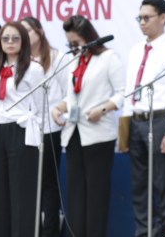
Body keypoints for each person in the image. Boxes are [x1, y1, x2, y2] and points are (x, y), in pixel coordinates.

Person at [50, 15, 124, 237]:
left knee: (96, 195)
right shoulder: (75, 61)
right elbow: (72, 96)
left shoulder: (108, 58)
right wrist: (59, 107)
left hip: (98, 134)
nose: (73, 48)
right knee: (75, 194)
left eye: (76, 43)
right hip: (74, 133)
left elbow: (123, 93)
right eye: (70, 44)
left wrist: (103, 109)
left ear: (89, 38)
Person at [121, 0, 165, 237]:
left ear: (163, 18)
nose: (142, 23)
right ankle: (143, 232)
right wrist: (125, 129)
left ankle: (161, 234)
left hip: (160, 121)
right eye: (139, 18)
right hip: (136, 121)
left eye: (147, 18)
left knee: (162, 186)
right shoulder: (136, 50)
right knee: (139, 186)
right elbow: (130, 90)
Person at [0, 21, 45, 237]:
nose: (10, 42)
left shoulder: (34, 68)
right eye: (5, 38)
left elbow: (39, 106)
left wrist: (35, 135)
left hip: (21, 129)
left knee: (21, 194)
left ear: (24, 41)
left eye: (15, 38)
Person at [21, 16, 67, 237]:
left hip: (49, 128)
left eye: (28, 30)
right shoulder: (19, 61)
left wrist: (59, 111)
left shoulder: (57, 57)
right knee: (28, 182)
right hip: (25, 130)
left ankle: (49, 231)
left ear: (39, 31)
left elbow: (69, 93)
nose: (24, 36)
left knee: (48, 182)